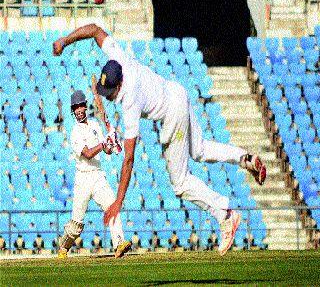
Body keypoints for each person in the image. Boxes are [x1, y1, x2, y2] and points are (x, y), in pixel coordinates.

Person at [53, 24, 267, 256]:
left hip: (171, 114)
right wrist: (65, 41)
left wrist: (118, 202)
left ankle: (225, 214)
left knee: (180, 183)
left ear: (119, 85)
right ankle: (245, 158)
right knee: (200, 150)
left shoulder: (129, 100)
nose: (110, 97)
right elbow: (95, 30)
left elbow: (129, 158)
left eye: (110, 93)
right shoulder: (119, 58)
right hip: (177, 92)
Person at [56, 90, 131, 259]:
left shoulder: (96, 125)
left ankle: (119, 243)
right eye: (76, 107)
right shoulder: (75, 132)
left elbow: (106, 150)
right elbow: (88, 153)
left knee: (112, 206)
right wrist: (104, 143)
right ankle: (63, 246)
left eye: (81, 105)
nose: (79, 110)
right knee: (76, 225)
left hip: (97, 174)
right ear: (73, 110)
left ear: (85, 106)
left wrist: (111, 145)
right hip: (83, 178)